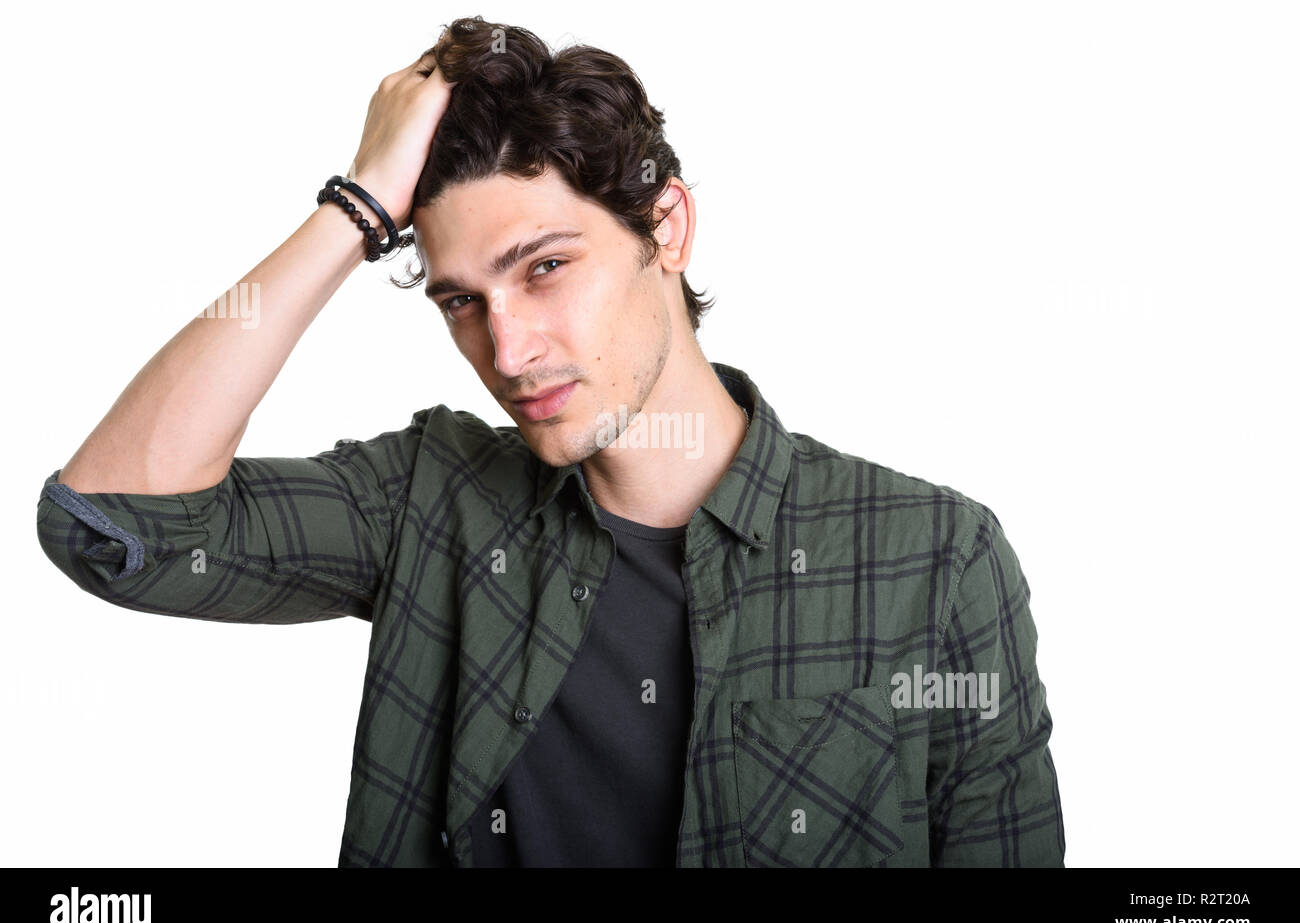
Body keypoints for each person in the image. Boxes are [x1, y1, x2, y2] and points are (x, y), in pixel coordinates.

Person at [35, 15, 1065, 867]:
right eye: (461, 302)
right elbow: (112, 524)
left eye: (542, 268)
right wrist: (356, 207)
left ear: (666, 229)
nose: (509, 348)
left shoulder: (935, 558)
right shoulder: (430, 501)